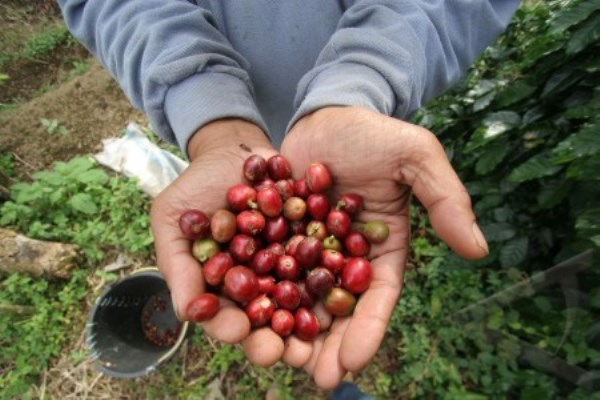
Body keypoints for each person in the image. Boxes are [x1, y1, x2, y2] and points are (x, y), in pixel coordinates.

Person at [58, 0, 520, 391]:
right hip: (226, 130)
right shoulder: (281, 224)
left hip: (365, 122)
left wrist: (368, 79)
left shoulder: (306, 224)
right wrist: (203, 104)